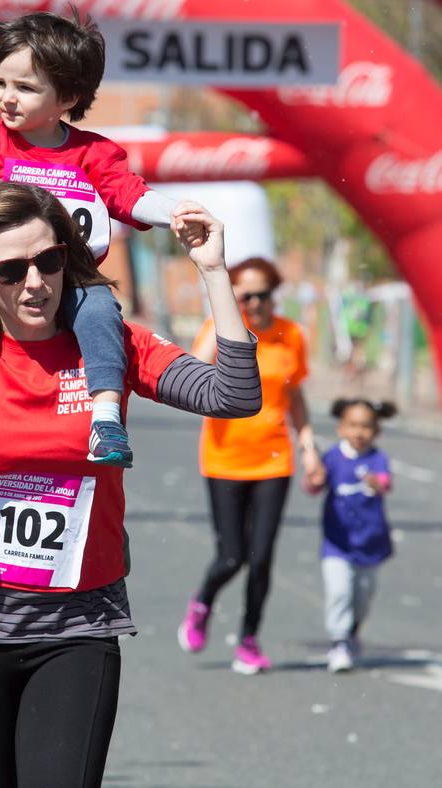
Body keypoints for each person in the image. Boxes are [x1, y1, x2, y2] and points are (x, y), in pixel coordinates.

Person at [0, 182, 260, 788]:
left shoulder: (112, 345)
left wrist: (213, 270)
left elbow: (235, 397)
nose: (35, 282)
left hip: (76, 629)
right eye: (10, 269)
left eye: (49, 260)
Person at [0, 10, 181, 492]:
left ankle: (105, 420)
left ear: (69, 98)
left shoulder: (95, 154)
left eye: (24, 87)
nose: (5, 98)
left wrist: (177, 213)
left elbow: (128, 193)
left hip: (73, 281)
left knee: (102, 309)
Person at [177, 257, 324, 674]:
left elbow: (294, 396)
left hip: (274, 459)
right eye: (245, 295)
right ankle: (203, 602)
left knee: (261, 558)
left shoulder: (290, 334)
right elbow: (195, 368)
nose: (254, 303)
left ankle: (249, 639)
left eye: (261, 295)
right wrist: (224, 314)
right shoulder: (224, 328)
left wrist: (309, 445)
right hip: (224, 459)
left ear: (273, 294)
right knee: (231, 556)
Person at [306, 397, 398, 673]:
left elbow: (385, 482)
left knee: (362, 598)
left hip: (370, 542)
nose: (359, 432)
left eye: (366, 427)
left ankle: (352, 631)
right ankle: (339, 642)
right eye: (353, 425)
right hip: (337, 543)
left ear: (376, 431)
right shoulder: (333, 457)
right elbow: (314, 485)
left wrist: (378, 483)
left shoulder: (377, 458)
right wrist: (314, 479)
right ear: (341, 428)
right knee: (339, 592)